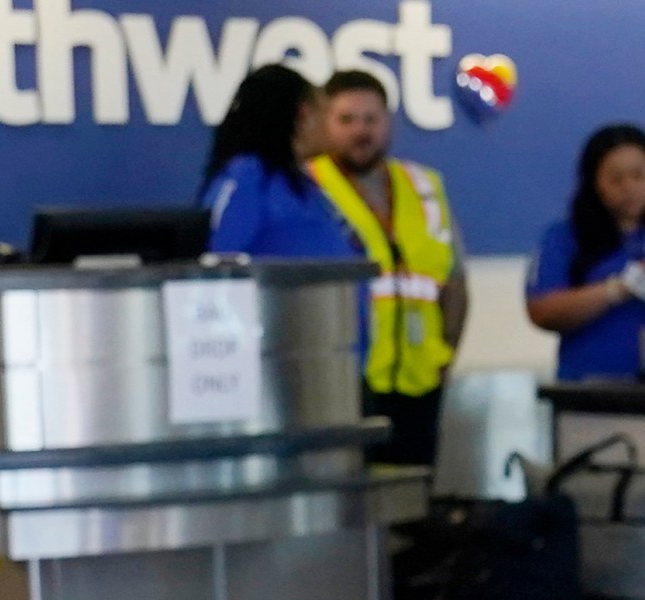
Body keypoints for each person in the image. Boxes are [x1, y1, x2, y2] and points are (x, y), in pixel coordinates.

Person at [309, 69, 470, 470]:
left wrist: (444, 360)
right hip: (344, 386)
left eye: (371, 119)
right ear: (323, 123)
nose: (360, 131)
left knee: (413, 509)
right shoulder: (307, 188)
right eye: (346, 120)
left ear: (388, 122)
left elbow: (454, 282)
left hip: (420, 382)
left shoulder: (425, 185)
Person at [527, 125, 645, 381]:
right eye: (616, 179)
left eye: (638, 176)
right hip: (592, 388)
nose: (629, 187)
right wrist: (615, 290)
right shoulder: (564, 237)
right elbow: (542, 310)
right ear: (595, 184)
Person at [201, 66, 359, 260]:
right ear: (305, 114)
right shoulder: (249, 176)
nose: (330, 126)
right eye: (326, 112)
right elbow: (215, 258)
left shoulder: (302, 183)